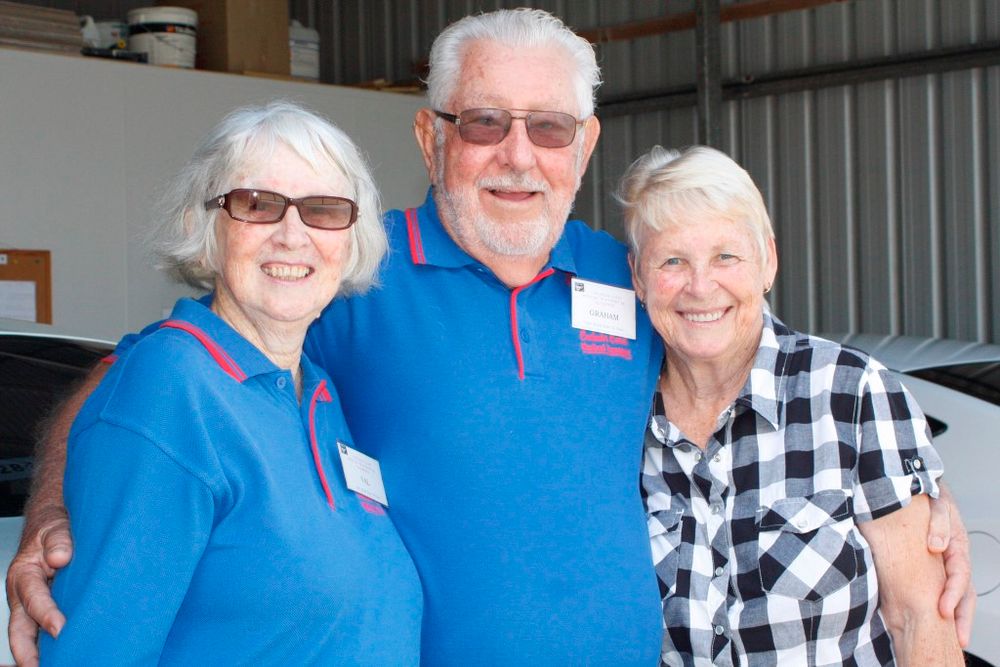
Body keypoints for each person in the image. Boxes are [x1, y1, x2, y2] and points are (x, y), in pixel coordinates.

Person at [6, 9, 974, 666]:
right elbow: (145, 374)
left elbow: (761, 358)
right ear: (431, 139)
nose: (518, 156)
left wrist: (919, 509)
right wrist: (55, 506)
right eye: (484, 124)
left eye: (549, 128)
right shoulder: (350, 269)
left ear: (585, 146)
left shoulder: (633, 278)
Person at [38, 101, 422, 664]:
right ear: (204, 226)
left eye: (324, 210)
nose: (293, 236)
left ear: (352, 237)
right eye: (257, 205)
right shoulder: (170, 389)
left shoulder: (314, 393)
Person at [620, 144, 964, 665]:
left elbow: (919, 621)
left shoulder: (851, 393)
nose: (700, 285)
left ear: (768, 262)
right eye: (672, 260)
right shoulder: (618, 416)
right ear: (638, 279)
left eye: (725, 256)